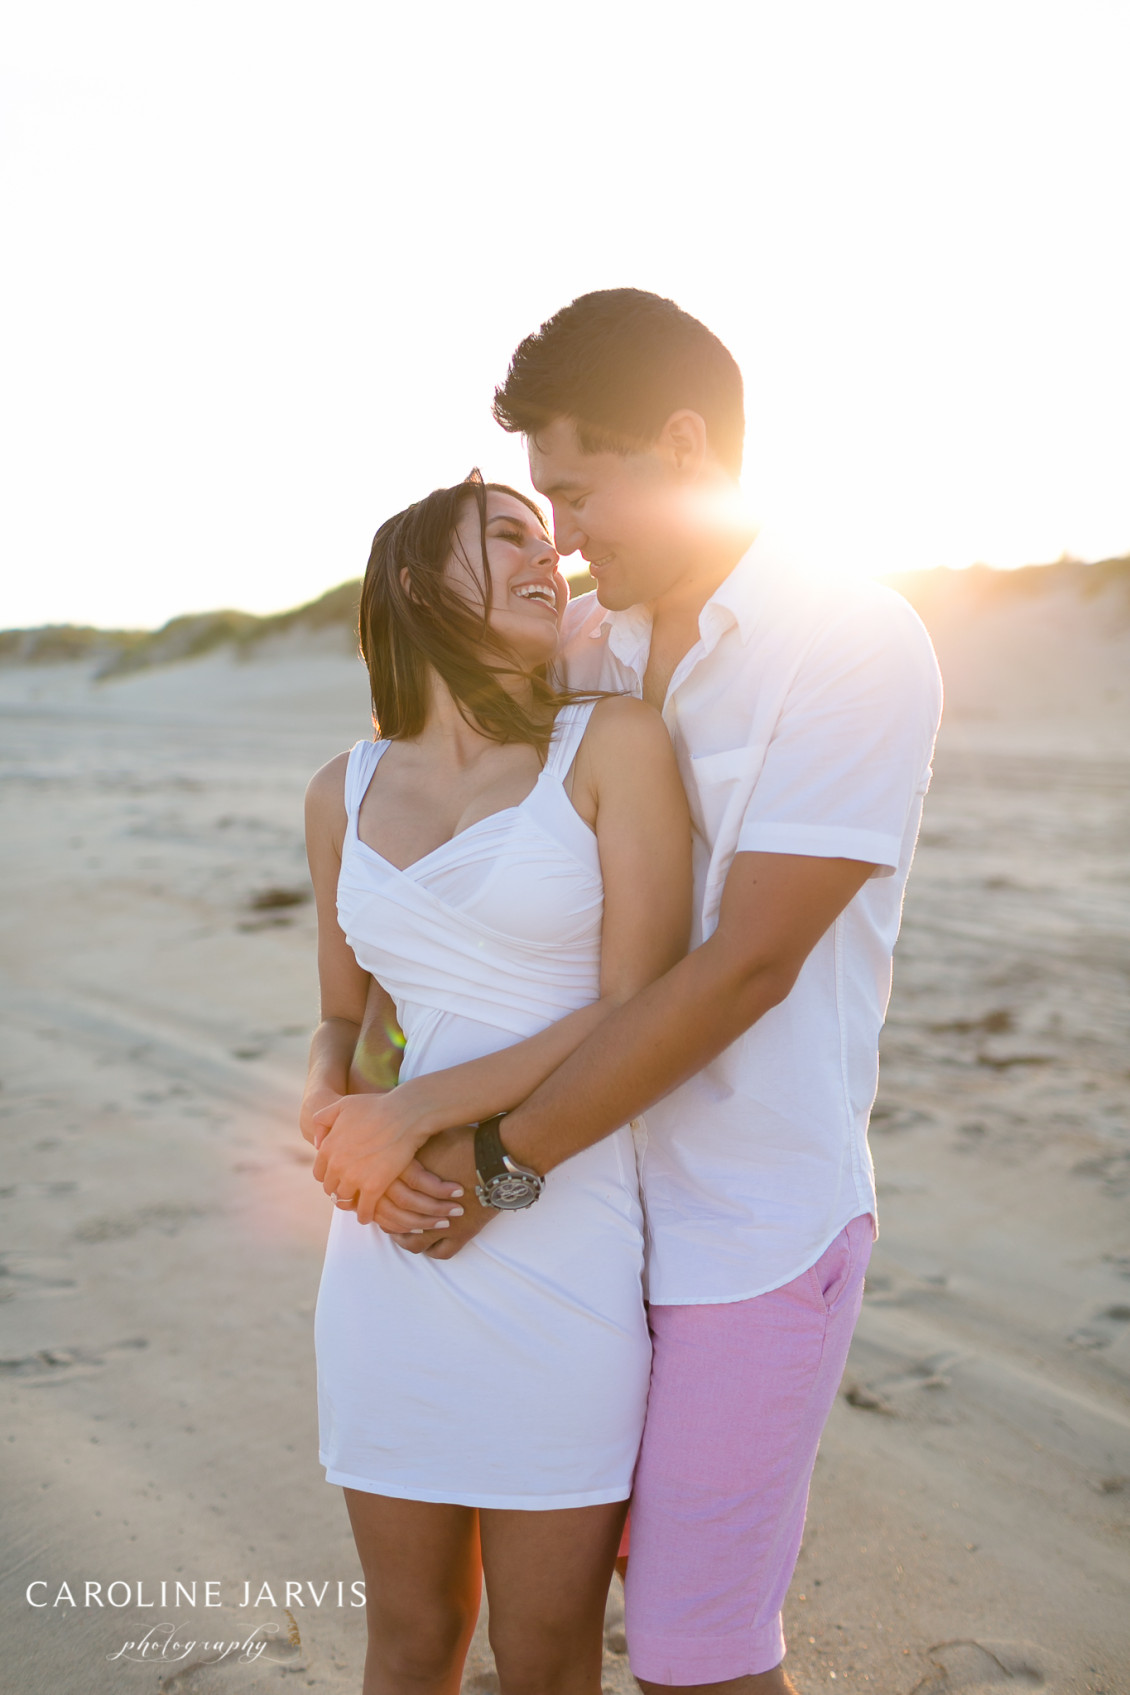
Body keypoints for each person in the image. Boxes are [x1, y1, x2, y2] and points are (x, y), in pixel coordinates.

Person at [341, 290, 944, 1695]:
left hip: (745, 1224)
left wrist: (483, 1159)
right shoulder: (590, 644)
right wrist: (354, 1063)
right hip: (585, 1226)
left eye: (575, 489)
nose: (559, 532)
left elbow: (743, 963)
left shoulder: (848, 637)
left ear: (682, 444)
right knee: (529, 1630)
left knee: (693, 1651)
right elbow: (433, 788)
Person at [301, 468, 691, 1695]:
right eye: (508, 537)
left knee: (543, 1653)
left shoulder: (611, 745)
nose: (551, 557)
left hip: (555, 1224)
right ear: (418, 583)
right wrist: (330, 1121)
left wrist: (415, 1110)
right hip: (387, 1254)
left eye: (549, 539)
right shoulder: (340, 791)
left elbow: (638, 1003)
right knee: (410, 1643)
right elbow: (344, 1012)